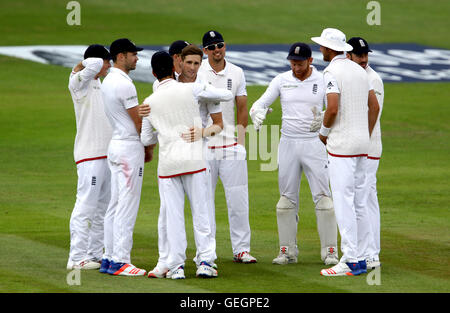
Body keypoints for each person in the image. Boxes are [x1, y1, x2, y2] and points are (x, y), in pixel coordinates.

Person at [141, 51, 233, 279]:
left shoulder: (148, 103)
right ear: (175, 68)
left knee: (173, 218)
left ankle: (176, 267)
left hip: (168, 166)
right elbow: (227, 95)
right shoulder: (191, 89)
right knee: (202, 214)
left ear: (153, 73)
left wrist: (164, 134)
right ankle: (206, 262)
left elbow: (146, 139)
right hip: (194, 161)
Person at [249, 42, 339, 266]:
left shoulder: (322, 79)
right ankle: (287, 251)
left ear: (310, 61)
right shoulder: (282, 80)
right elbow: (259, 103)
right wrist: (257, 113)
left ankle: (330, 251)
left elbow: (337, 108)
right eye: (292, 62)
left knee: (324, 199)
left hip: (314, 143)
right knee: (286, 201)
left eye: (300, 63)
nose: (295, 67)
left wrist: (324, 117)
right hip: (288, 143)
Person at [311, 28, 379, 276]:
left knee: (343, 202)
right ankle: (361, 258)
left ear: (330, 49)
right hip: (363, 145)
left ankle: (350, 259)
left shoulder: (331, 71)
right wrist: (365, 133)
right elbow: (375, 106)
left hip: (343, 146)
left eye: (322, 47)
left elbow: (332, 109)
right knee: (359, 202)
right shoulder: (359, 70)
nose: (320, 50)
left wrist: (323, 134)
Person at [197, 30, 257, 263]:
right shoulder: (198, 71)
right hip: (205, 145)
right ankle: (207, 252)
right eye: (211, 47)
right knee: (205, 201)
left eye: (219, 45)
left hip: (231, 145)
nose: (217, 50)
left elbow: (242, 108)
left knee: (238, 198)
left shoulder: (237, 72)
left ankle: (242, 249)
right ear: (205, 51)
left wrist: (239, 142)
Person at [100, 38, 152, 276]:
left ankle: (109, 257)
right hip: (129, 148)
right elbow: (138, 122)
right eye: (133, 54)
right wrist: (148, 145)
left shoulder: (108, 80)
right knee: (127, 206)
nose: (137, 58)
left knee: (115, 204)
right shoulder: (124, 84)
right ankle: (121, 260)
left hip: (115, 146)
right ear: (121, 56)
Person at [67, 44, 113, 270]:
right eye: (107, 61)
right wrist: (88, 62)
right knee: (86, 205)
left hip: (106, 155)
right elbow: (92, 63)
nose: (109, 66)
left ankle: (94, 254)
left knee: (102, 208)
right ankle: (76, 257)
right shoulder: (78, 83)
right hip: (90, 156)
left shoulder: (98, 83)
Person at [347, 37, 384, 270]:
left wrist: (362, 141)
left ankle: (371, 253)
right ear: (348, 55)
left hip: (368, 146)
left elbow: (373, 113)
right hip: (357, 145)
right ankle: (365, 250)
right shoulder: (353, 76)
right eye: (359, 55)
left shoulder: (373, 79)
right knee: (362, 197)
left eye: (365, 55)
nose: (363, 59)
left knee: (365, 198)